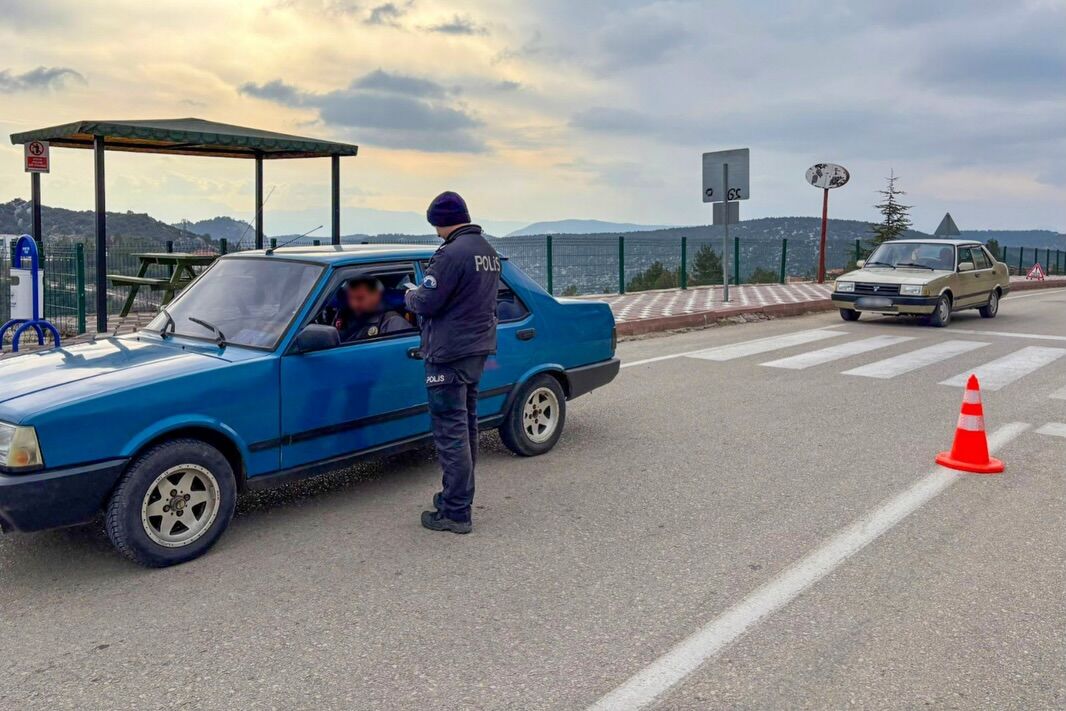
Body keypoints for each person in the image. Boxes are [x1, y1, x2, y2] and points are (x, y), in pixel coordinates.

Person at [405, 191, 501, 534]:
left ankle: (456, 511)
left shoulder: (451, 254)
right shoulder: (487, 252)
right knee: (466, 426)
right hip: (476, 351)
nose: (435, 232)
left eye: (435, 225)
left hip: (448, 354)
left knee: (451, 433)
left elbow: (427, 302)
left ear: (439, 221)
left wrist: (408, 294)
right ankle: (456, 497)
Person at [335, 276, 411, 342]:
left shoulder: (393, 321)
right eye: (351, 298)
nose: (354, 304)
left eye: (360, 298)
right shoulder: (346, 314)